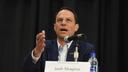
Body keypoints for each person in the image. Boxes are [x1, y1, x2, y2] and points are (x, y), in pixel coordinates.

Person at [23, 7, 94, 72]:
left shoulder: (86, 49)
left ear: (76, 27)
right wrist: (37, 52)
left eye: (68, 20)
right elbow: (27, 70)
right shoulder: (44, 47)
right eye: (60, 20)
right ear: (54, 27)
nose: (63, 23)